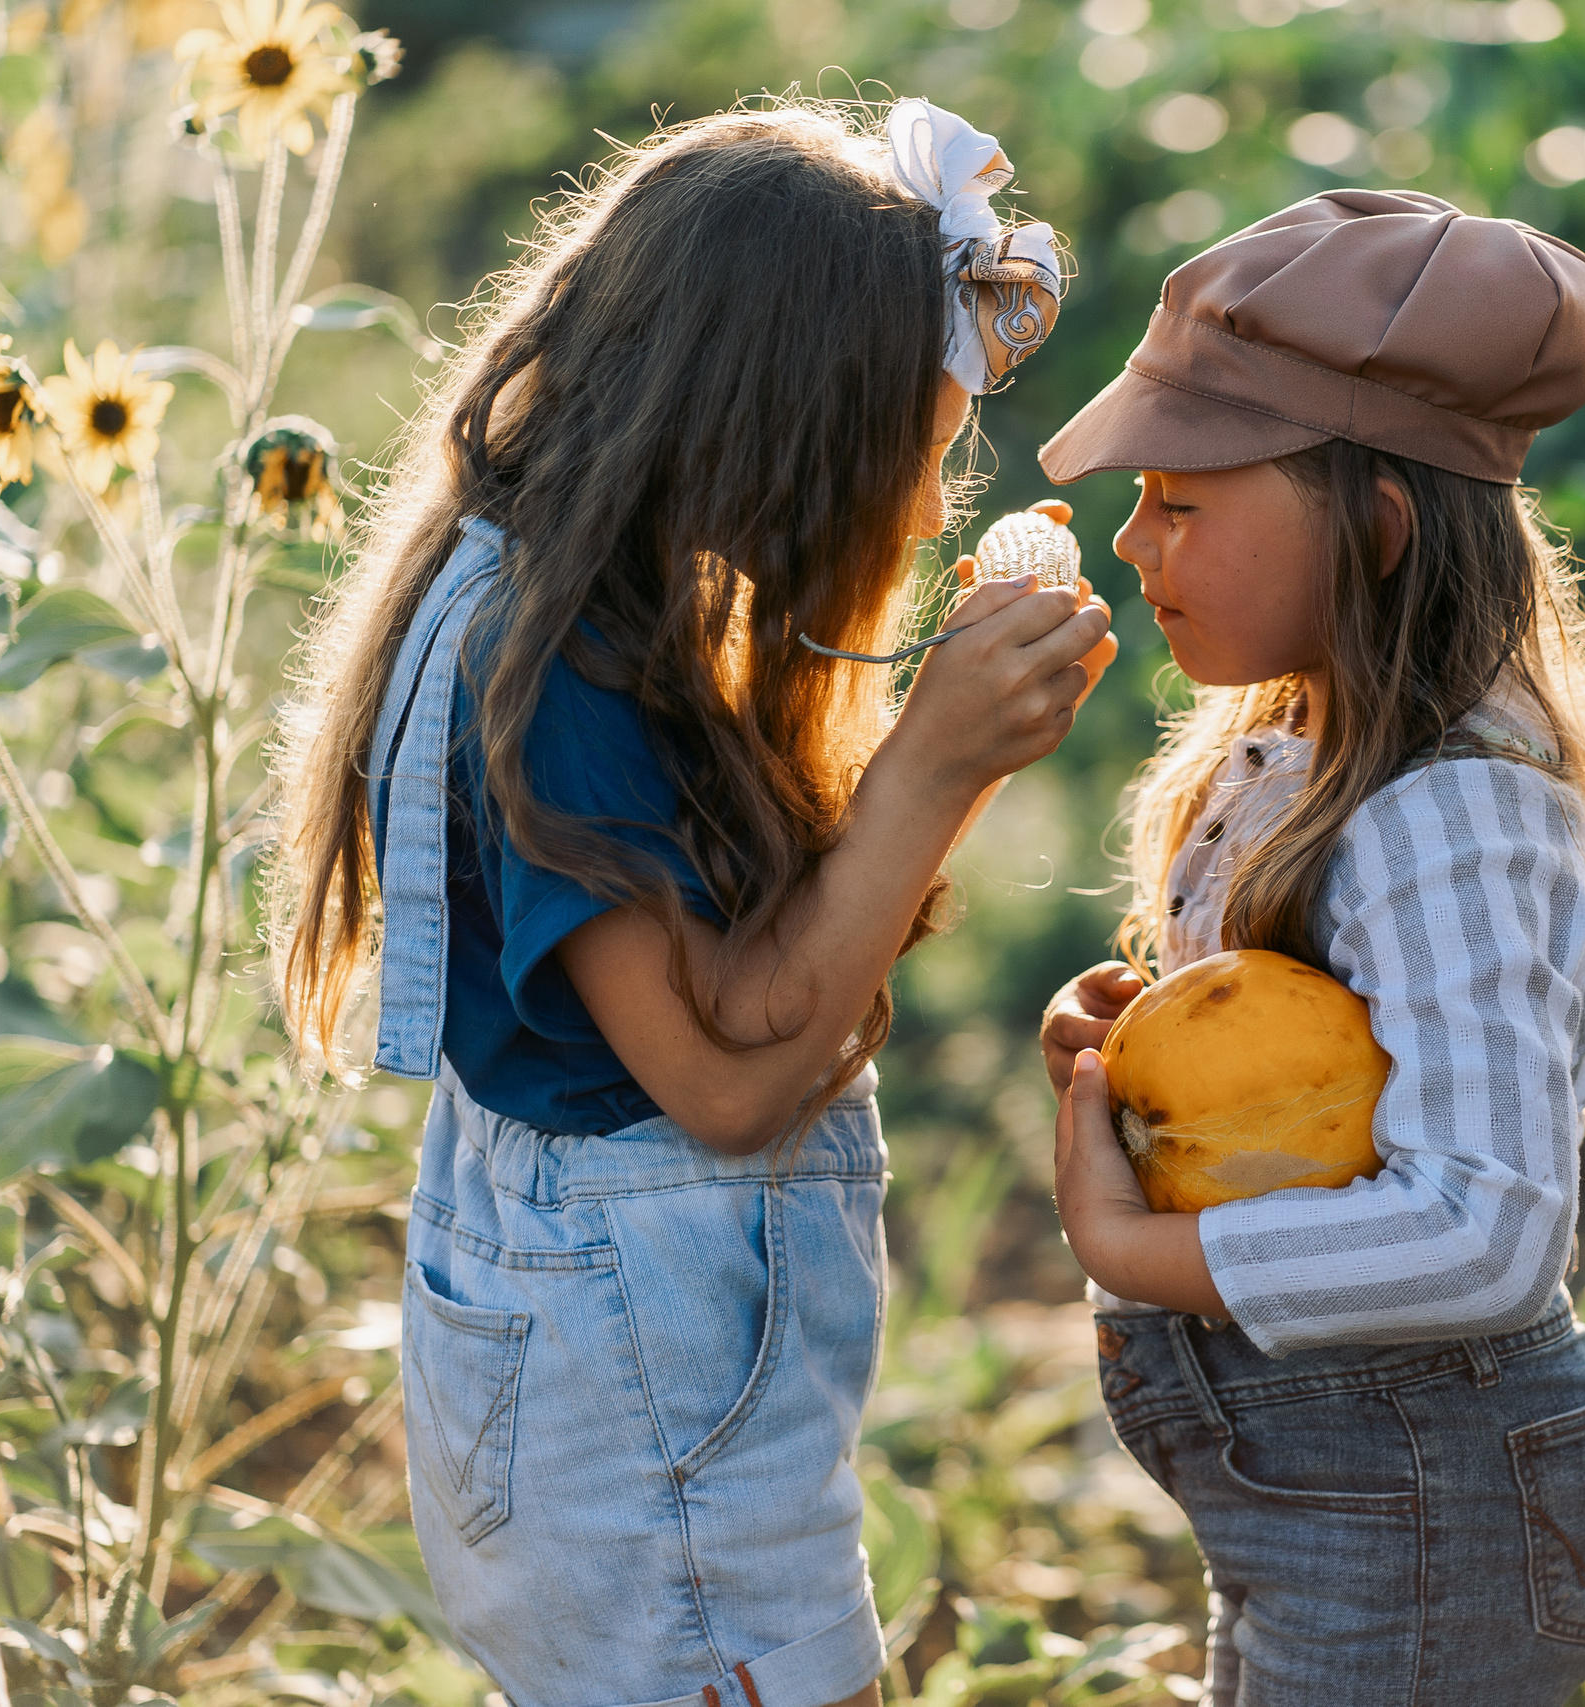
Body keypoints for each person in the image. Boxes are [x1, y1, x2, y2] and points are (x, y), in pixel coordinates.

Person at [272, 98, 1113, 1707]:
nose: (933, 517)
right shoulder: (558, 668)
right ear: (771, 426)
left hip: (624, 1383)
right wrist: (935, 774)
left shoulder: (581, 599)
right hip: (644, 1415)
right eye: (917, 459)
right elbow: (727, 1077)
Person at [1034, 189, 1585, 1705]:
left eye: (1183, 503)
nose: (1134, 544)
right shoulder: (1297, 750)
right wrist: (1138, 1043)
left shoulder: (1449, 816)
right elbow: (1317, 1087)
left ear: (1379, 527)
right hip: (1347, 1488)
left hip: (1428, 1498)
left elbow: (1484, 1225)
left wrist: (1130, 1248)